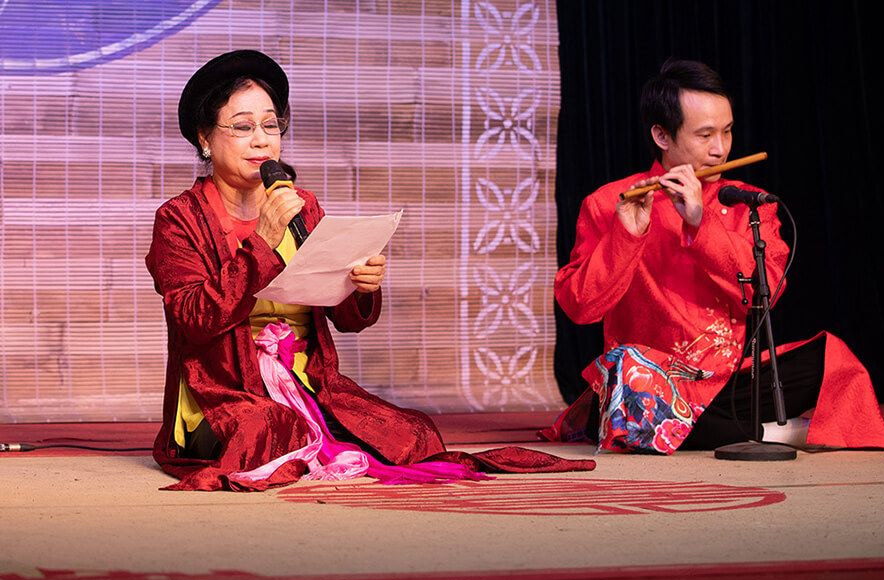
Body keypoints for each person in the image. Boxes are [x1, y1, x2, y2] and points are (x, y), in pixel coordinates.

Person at [146, 50, 593, 491]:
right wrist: (262, 243)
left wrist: (360, 286)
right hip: (223, 390)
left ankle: (315, 432)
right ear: (205, 139)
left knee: (410, 434)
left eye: (270, 125)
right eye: (243, 127)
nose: (262, 141)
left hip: (308, 382)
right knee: (266, 430)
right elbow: (194, 320)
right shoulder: (179, 218)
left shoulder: (301, 205)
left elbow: (345, 317)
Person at [544, 58, 884, 453]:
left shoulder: (749, 202)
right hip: (649, 378)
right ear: (661, 135)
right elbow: (581, 307)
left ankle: (702, 427)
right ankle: (770, 432)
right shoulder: (610, 202)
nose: (720, 149)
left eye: (726, 132)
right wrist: (627, 235)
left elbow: (763, 293)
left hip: (728, 381)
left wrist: (701, 223)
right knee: (628, 383)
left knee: (832, 357)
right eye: (705, 135)